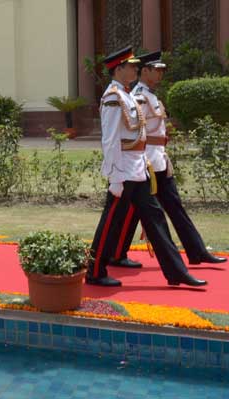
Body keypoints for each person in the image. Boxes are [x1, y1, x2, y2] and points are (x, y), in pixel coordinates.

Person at [86, 46, 206, 287]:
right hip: (123, 170)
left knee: (156, 218)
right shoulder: (112, 97)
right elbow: (109, 140)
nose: (135, 69)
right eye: (131, 66)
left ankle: (176, 272)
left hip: (137, 168)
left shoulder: (127, 94)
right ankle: (95, 270)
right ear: (119, 69)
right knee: (111, 221)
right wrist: (114, 176)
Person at [110, 51, 226, 267]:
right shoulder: (139, 97)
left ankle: (197, 251)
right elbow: (135, 132)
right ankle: (116, 254)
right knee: (132, 212)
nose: (161, 74)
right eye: (157, 70)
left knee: (174, 207)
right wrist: (140, 160)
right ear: (145, 71)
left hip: (159, 161)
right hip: (146, 161)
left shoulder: (150, 95)